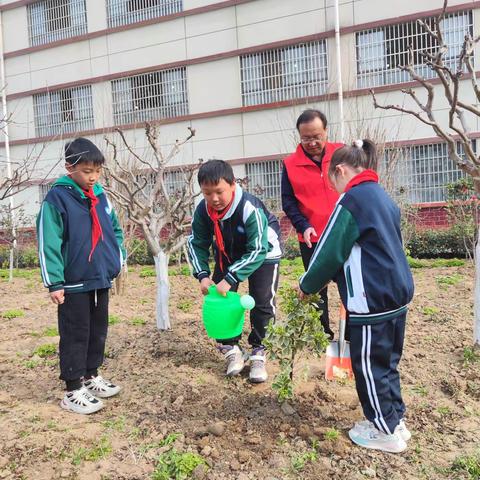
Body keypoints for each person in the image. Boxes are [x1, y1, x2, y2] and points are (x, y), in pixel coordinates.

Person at [298, 139, 414, 453]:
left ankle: (384, 430)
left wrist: (307, 285)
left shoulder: (352, 199)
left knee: (368, 366)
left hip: (371, 299)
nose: (334, 189)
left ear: (339, 170)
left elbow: (329, 250)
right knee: (387, 362)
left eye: (332, 182)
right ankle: (395, 418)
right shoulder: (382, 196)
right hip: (397, 293)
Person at [36, 137, 126, 415]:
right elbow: (48, 240)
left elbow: (115, 229)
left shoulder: (100, 195)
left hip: (100, 277)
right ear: (69, 167)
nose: (93, 177)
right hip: (73, 281)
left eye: (97, 171)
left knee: (98, 330)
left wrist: (117, 258)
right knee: (76, 333)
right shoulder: (57, 198)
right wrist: (55, 282)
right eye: (87, 171)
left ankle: (90, 375)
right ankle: (73, 388)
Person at [187, 160, 281, 383]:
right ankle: (231, 349)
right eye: (207, 193)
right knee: (221, 301)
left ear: (232, 185)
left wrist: (230, 277)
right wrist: (202, 275)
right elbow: (196, 242)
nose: (214, 199)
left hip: (263, 252)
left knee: (262, 301)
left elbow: (258, 248)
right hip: (227, 251)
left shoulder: (249, 207)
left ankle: (259, 351)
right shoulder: (204, 210)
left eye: (219, 191)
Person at [281, 109, 343, 339]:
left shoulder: (342, 153)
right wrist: (302, 225)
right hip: (312, 238)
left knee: (351, 286)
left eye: (317, 136)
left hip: (344, 235)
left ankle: (352, 333)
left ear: (326, 131)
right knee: (317, 290)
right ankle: (322, 335)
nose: (313, 142)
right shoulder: (290, 164)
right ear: (299, 136)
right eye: (306, 138)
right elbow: (288, 202)